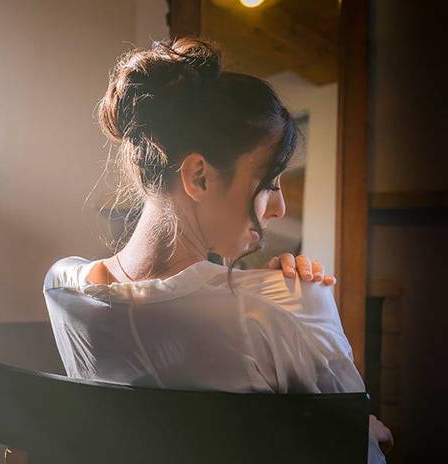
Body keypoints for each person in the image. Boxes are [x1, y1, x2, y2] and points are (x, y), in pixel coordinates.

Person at [33, 37, 393, 464]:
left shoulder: (63, 289)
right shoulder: (287, 308)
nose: (277, 208)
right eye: (270, 183)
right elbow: (360, 453)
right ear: (199, 177)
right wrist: (371, 433)